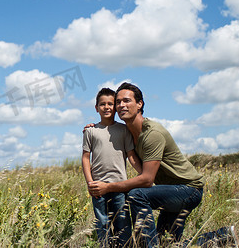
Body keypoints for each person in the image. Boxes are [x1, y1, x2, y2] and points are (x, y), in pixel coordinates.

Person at [87, 82, 205, 247]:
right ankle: (224, 236)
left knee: (137, 195)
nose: (121, 105)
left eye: (127, 101)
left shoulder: (152, 134)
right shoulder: (128, 132)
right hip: (169, 190)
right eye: (118, 102)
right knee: (168, 244)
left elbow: (147, 180)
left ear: (139, 104)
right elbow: (108, 131)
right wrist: (94, 127)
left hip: (188, 189)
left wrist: (108, 187)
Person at [82, 88, 142, 247]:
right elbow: (86, 158)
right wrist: (90, 182)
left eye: (110, 104)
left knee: (123, 225)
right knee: (102, 225)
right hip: (98, 188)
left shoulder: (123, 130)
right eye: (102, 104)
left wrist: (143, 175)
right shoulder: (90, 131)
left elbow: (131, 155)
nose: (106, 107)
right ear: (96, 108)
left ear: (115, 107)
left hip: (119, 187)